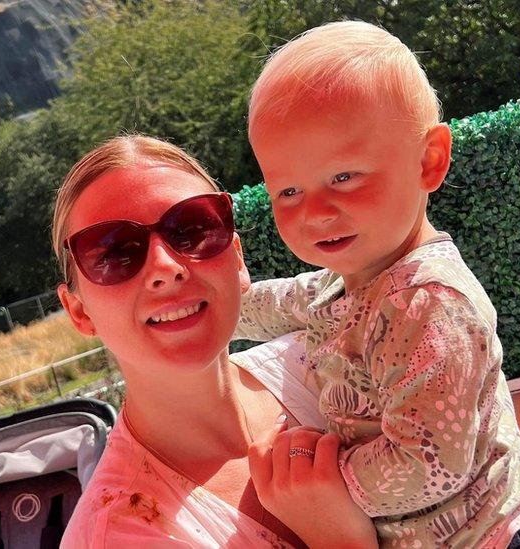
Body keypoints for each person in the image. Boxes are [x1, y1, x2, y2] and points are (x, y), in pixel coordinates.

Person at [236, 21, 520, 548]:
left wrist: (320, 485)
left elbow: (428, 461)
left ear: (429, 160)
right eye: (288, 191)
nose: (314, 212)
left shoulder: (429, 302)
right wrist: (225, 302)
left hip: (517, 537)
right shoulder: (343, 284)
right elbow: (277, 303)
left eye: (343, 177)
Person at [54, 135, 377, 548]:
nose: (166, 267)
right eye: (115, 252)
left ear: (238, 258)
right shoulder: (114, 534)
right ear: (79, 310)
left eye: (192, 229)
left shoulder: (329, 365)